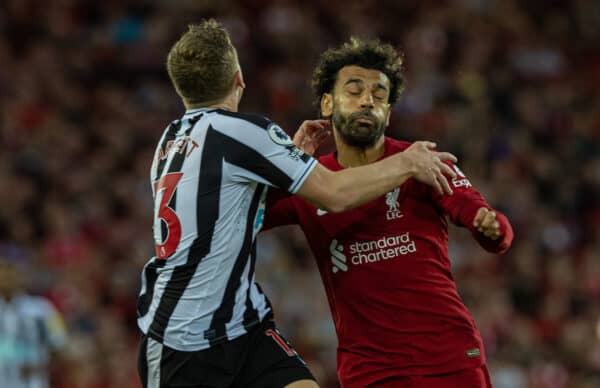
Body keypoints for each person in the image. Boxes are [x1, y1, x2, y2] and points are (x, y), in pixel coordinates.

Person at [136, 21, 459, 388]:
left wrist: (287, 160)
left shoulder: (171, 140)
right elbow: (335, 194)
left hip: (242, 327)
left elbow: (229, 210)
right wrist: (407, 162)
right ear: (239, 78)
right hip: (184, 342)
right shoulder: (242, 132)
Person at [263, 38, 514, 388]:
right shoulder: (311, 181)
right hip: (373, 371)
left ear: (389, 112)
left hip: (450, 357)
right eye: (354, 91)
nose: (368, 100)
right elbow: (244, 216)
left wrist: (491, 226)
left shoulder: (419, 160)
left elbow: (482, 218)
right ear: (327, 103)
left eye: (380, 95)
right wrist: (287, 163)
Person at [0, 256, 66, 388]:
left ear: (22, 277)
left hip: (33, 383)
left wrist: (41, 366)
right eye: (3, 273)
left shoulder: (43, 309)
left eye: (12, 273)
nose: (7, 278)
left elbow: (59, 344)